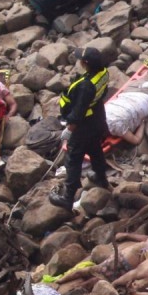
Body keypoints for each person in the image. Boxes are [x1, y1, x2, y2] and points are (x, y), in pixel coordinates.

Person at [50, 47, 110, 209]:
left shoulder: (86, 86)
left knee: (73, 159)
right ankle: (101, 178)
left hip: (84, 125)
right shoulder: (103, 73)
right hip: (96, 119)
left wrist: (69, 130)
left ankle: (68, 197)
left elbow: (78, 111)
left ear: (85, 63)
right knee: (95, 150)